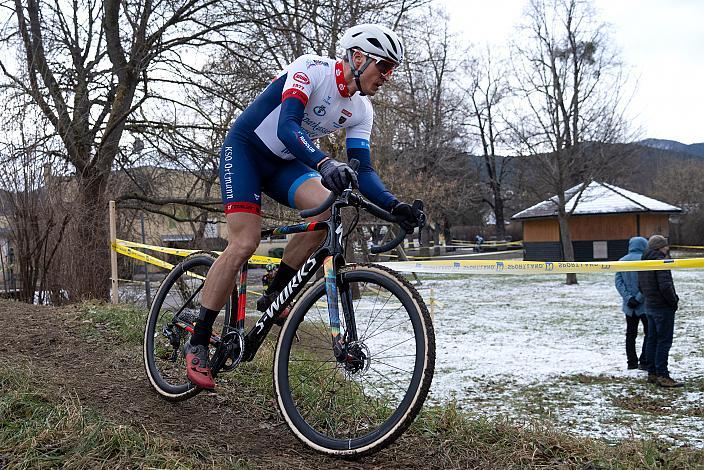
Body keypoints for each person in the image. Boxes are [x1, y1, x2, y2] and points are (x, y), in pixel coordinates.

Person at [184, 24, 426, 389]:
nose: (387, 78)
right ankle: (199, 340)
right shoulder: (311, 69)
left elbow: (366, 170)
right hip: (247, 150)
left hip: (284, 162)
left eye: (391, 70)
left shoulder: (361, 109)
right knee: (244, 243)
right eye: (385, 67)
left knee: (327, 211)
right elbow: (287, 126)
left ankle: (276, 290)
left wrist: (396, 206)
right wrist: (324, 163)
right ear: (358, 58)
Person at [637, 235, 682, 388]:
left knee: (652, 340)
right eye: (665, 246)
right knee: (664, 341)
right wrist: (673, 301)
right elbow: (665, 286)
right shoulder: (660, 261)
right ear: (660, 247)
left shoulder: (644, 260)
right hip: (662, 308)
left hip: (650, 306)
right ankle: (662, 375)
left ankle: (652, 373)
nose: (667, 248)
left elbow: (640, 287)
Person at [614, 236, 649, 370]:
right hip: (644, 305)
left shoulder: (621, 261)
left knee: (630, 334)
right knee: (649, 333)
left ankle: (631, 362)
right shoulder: (645, 261)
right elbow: (647, 282)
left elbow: (618, 282)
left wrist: (628, 298)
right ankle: (644, 360)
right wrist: (639, 298)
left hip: (629, 307)